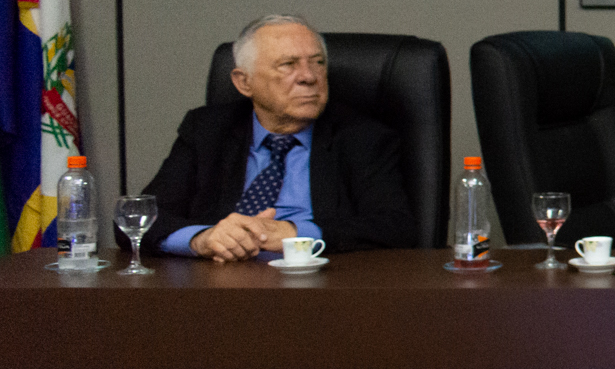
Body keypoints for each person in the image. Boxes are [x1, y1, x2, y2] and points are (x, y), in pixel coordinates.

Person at [140, 14, 413, 260]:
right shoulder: (207, 130)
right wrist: (201, 239)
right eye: (288, 64)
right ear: (244, 82)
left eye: (318, 63)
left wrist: (296, 233)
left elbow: (395, 226)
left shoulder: (362, 137)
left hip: (317, 283)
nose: (309, 77)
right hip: (221, 281)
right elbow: (142, 217)